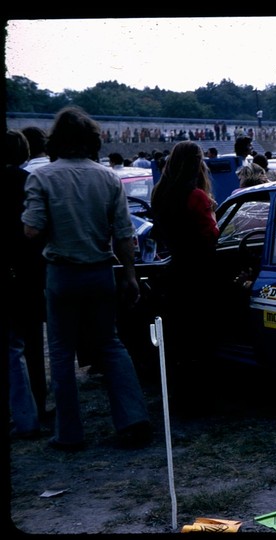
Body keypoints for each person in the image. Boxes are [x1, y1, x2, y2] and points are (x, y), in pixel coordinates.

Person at [21, 106, 152, 451]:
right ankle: (133, 418)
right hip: (100, 271)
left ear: (56, 140)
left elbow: (32, 230)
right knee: (110, 344)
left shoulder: (42, 178)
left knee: (62, 352)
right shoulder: (108, 178)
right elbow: (124, 234)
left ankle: (69, 433)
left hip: (62, 273)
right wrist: (130, 275)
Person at [150, 141, 220, 414]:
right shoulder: (197, 196)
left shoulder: (160, 193)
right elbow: (211, 235)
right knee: (202, 336)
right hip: (201, 272)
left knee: (180, 338)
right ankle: (202, 397)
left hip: (175, 270)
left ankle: (181, 396)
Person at [5, 129, 42, 439]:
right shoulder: (28, 181)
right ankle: (38, 402)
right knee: (32, 339)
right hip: (29, 268)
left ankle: (23, 412)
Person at [19, 126, 51, 421]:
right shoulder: (49, 173)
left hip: (25, 267)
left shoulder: (28, 176)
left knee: (28, 339)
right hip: (53, 262)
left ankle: (35, 397)